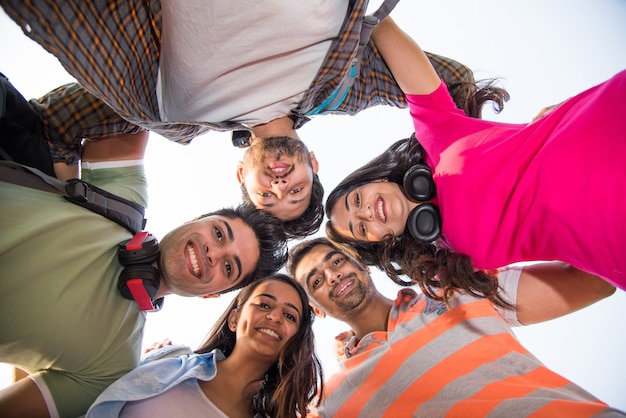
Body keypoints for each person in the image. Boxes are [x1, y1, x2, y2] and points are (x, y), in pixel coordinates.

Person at [0, 0, 485, 238]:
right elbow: (456, 84)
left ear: (242, 175)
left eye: (267, 196)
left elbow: (51, 127)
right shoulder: (343, 88)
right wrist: (426, 196)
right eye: (295, 189)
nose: (279, 185)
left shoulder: (175, 114)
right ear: (313, 162)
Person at [0, 115, 288, 416]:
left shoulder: (111, 366)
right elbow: (136, 101)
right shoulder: (118, 202)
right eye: (218, 233)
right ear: (195, 219)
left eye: (229, 268)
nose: (213, 253)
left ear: (212, 295)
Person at [325, 17, 626, 296]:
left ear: (372, 179)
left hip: (608, 124)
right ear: (380, 243)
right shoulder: (450, 266)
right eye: (361, 228)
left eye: (355, 201)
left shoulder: (437, 136)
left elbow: (389, 35)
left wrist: (366, 14)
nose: (364, 213)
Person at [288, 237, 623, 417]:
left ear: (362, 265)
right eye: (316, 280)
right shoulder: (331, 402)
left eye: (336, 261)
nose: (332, 274)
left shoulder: (458, 289)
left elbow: (596, 282)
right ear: (316, 309)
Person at [85, 274, 323, 418]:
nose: (275, 317)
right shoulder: (170, 361)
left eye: (290, 316)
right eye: (263, 304)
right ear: (234, 319)